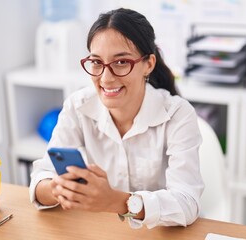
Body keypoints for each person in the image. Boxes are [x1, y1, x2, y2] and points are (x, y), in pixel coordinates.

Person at [29, 8, 204, 229]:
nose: (106, 78)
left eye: (121, 62)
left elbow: (187, 203)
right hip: (103, 229)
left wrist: (116, 201)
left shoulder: (178, 114)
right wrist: (59, 188)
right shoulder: (77, 106)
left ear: (148, 64)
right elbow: (40, 178)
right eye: (96, 62)